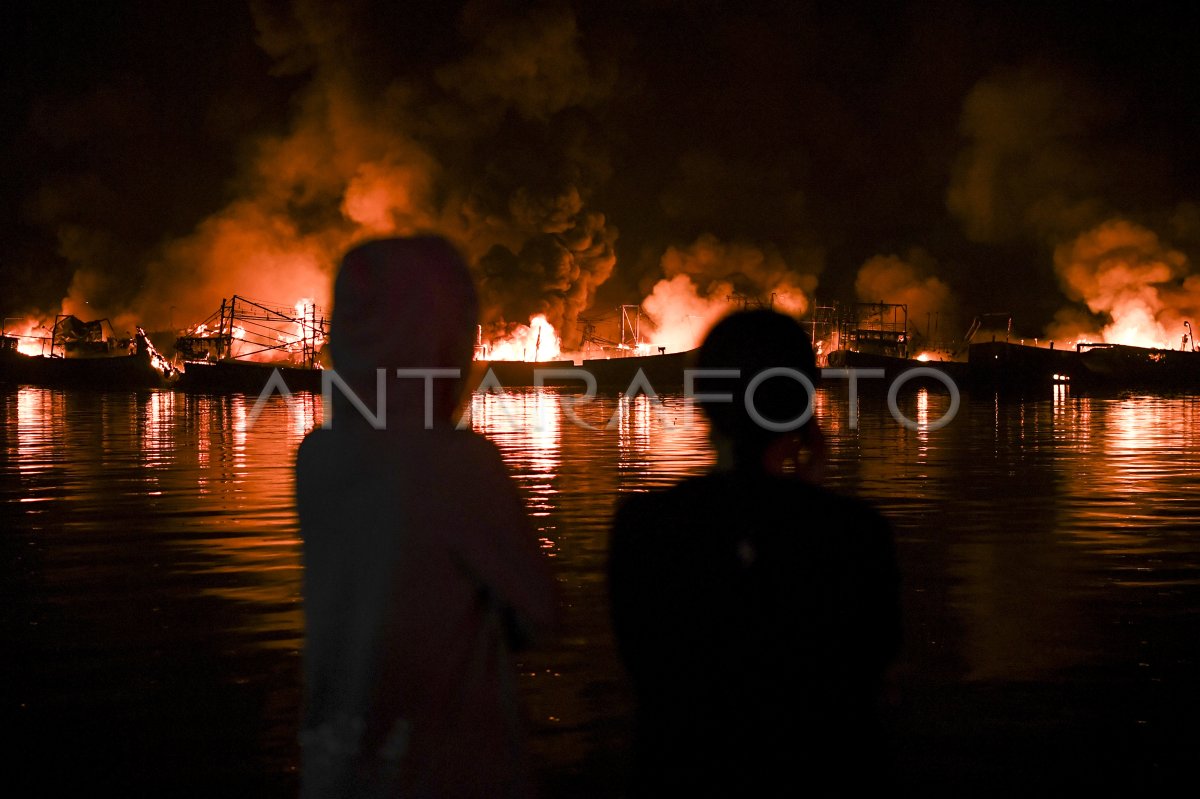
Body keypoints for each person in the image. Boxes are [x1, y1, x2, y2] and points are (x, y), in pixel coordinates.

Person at [295, 236, 559, 798]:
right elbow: (541, 614)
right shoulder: (460, 465)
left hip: (340, 766)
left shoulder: (315, 457)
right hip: (448, 769)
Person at [607, 309, 902, 797]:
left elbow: (645, 671)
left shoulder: (646, 527)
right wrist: (808, 496)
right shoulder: (855, 534)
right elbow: (873, 680)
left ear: (702, 402)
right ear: (803, 406)